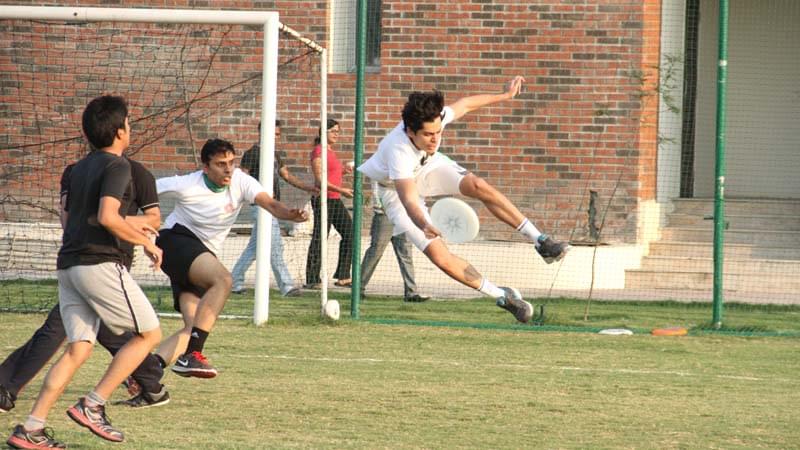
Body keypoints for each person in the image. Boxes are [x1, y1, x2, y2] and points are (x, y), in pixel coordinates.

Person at [6, 95, 163, 448]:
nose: (131, 128)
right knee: (150, 335)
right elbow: (108, 217)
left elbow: (68, 219)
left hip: (69, 265)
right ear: (121, 130)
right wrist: (147, 241)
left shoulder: (76, 169)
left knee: (78, 348)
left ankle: (31, 427)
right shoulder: (118, 166)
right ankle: (93, 404)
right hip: (99, 263)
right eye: (130, 123)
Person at [357, 77, 571, 323]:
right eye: (428, 135)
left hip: (427, 168)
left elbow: (466, 104)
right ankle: (503, 296)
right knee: (440, 258)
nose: (435, 139)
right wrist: (423, 223)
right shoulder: (398, 150)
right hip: (394, 190)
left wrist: (505, 96)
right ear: (409, 131)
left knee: (477, 185)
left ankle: (541, 241)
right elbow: (408, 198)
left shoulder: (434, 125)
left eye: (438, 132)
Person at [154, 138, 308, 379]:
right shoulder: (187, 184)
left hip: (200, 256)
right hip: (175, 241)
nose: (228, 169)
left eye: (231, 162)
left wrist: (290, 214)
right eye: (220, 164)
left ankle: (144, 372)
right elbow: (146, 188)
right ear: (205, 167)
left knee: (194, 325)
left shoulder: (240, 181)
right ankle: (193, 355)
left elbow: (270, 203)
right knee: (224, 280)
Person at [231, 120, 317, 297]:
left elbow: (286, 175)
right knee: (275, 246)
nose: (277, 138)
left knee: (254, 248)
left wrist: (308, 188)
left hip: (273, 207)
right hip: (260, 207)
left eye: (278, 134)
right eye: (274, 134)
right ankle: (287, 286)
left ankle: (234, 281)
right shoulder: (252, 153)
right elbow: (241, 178)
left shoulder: (275, 154)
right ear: (263, 133)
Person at [360, 181, 429, 302]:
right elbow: (376, 188)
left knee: (405, 254)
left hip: (402, 216)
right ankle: (358, 288)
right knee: (375, 252)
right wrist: (379, 205)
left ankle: (411, 293)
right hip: (384, 215)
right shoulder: (382, 168)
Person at [305, 118, 354, 289]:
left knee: (350, 232)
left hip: (334, 198)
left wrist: (344, 171)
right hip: (323, 199)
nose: (336, 134)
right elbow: (320, 181)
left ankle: (343, 275)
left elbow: (332, 174)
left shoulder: (331, 151)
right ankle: (312, 278)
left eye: (338, 131)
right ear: (323, 132)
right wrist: (343, 191)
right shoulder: (318, 151)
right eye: (333, 131)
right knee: (320, 236)